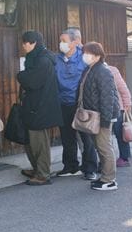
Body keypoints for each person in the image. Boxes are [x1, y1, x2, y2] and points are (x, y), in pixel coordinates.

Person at [16, 30, 62, 185]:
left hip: (40, 106)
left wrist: (20, 76)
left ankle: (43, 174)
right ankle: (37, 168)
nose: (23, 46)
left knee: (39, 142)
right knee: (31, 140)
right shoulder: (36, 57)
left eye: (25, 43)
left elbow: (33, 81)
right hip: (34, 105)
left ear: (33, 42)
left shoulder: (43, 60)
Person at [54, 27, 99, 180]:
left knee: (86, 137)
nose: (61, 44)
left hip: (80, 103)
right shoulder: (57, 59)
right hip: (63, 103)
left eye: (64, 41)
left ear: (74, 42)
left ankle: (90, 168)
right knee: (67, 137)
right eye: (60, 41)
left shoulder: (84, 58)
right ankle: (70, 166)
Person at [76, 42, 120, 191]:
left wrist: (106, 121)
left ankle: (109, 180)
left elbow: (108, 98)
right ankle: (105, 177)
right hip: (94, 116)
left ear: (97, 55)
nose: (85, 56)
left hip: (102, 117)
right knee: (100, 147)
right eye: (84, 53)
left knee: (104, 147)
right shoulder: (90, 69)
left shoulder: (102, 71)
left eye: (88, 53)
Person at [108, 62, 132, 167]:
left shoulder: (112, 70)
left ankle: (124, 157)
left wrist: (127, 104)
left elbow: (123, 89)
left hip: (118, 108)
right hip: (105, 109)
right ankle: (109, 159)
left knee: (121, 134)